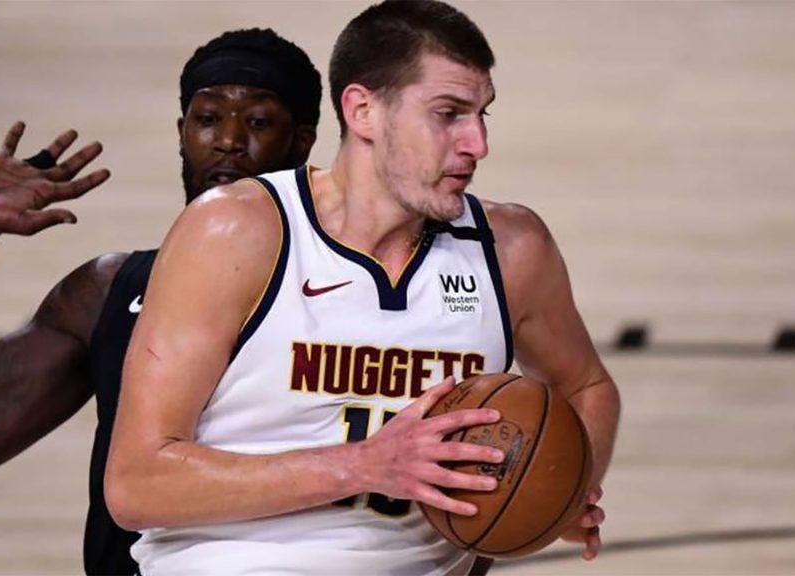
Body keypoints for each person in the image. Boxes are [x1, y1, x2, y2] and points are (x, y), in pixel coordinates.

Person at [106, 1, 621, 575]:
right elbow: (136, 483)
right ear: (363, 111)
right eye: (448, 114)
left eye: (482, 114)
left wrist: (559, 489)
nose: (477, 143)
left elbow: (587, 385)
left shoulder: (510, 248)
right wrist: (363, 466)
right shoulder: (237, 230)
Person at [0, 28, 321, 576]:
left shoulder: (355, 289)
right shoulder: (108, 291)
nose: (228, 140)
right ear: (182, 133)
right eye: (208, 118)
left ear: (302, 142)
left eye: (257, 122)